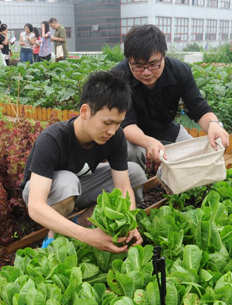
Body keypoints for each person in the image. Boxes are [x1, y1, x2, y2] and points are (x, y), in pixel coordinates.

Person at [21, 70, 147, 253]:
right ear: (85, 111)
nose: (112, 131)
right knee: (67, 183)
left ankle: (80, 222)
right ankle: (52, 239)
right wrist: (87, 237)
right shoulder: (52, 139)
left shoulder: (115, 137)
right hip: (44, 192)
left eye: (118, 123)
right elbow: (35, 206)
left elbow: (122, 187)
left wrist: (130, 224)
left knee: (134, 172)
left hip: (80, 185)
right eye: (107, 123)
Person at [111, 24, 229, 170]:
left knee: (198, 156)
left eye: (153, 64)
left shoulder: (180, 71)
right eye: (138, 66)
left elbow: (198, 107)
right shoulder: (118, 76)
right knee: (130, 152)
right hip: (132, 137)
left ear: (163, 56)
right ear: (129, 60)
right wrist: (148, 143)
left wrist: (213, 124)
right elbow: (126, 123)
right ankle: (137, 188)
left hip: (167, 130)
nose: (146, 72)